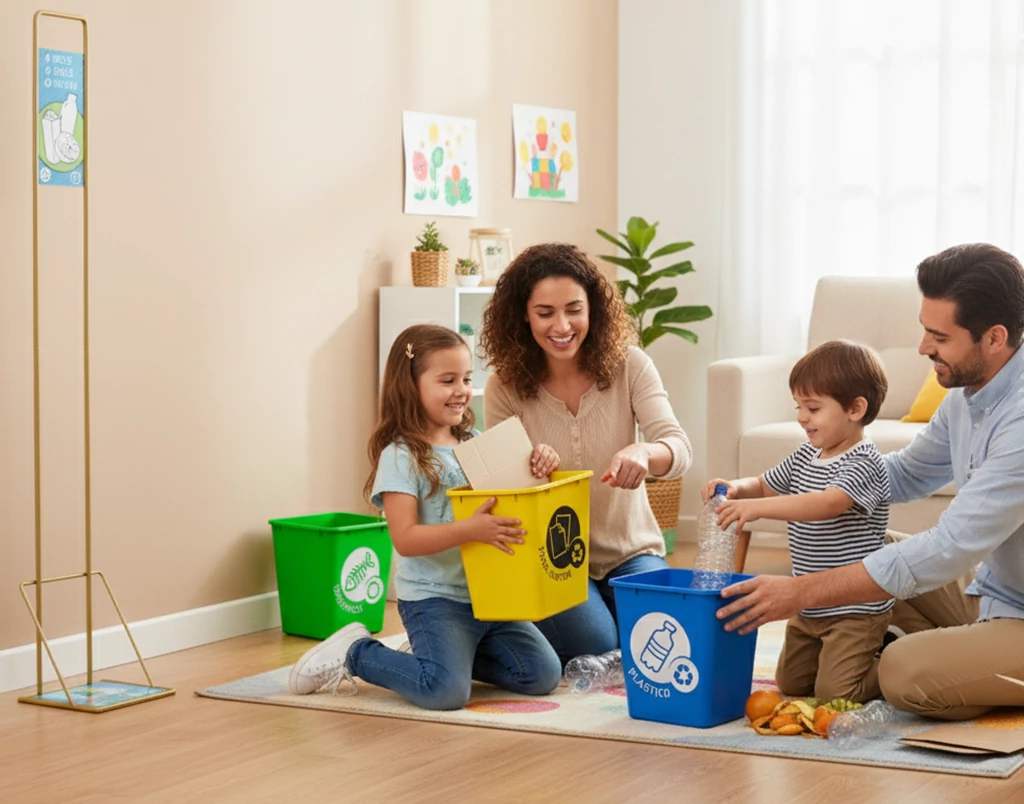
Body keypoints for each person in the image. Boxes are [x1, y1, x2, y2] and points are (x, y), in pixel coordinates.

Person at [717, 243, 1024, 720]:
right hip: (999, 588)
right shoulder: (969, 394)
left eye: (938, 337)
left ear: (995, 337)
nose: (923, 348)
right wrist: (835, 484)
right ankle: (931, 648)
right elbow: (904, 474)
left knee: (903, 671)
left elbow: (950, 546)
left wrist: (800, 592)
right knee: (871, 545)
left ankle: (919, 654)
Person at [288, 324, 562, 710]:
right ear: (410, 385)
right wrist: (469, 530)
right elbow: (405, 539)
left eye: (466, 378)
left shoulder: (475, 443)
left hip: (489, 596)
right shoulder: (401, 456)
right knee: (445, 692)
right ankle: (356, 651)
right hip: (435, 600)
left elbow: (518, 499)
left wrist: (540, 462)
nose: (462, 390)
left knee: (542, 675)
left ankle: (437, 658)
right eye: (447, 380)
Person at [479, 242, 693, 665]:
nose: (562, 325)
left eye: (574, 309)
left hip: (632, 553)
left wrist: (644, 454)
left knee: (660, 635)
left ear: (593, 308)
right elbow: (504, 489)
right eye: (545, 313)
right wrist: (532, 466)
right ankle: (482, 640)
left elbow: (679, 447)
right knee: (598, 644)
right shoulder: (504, 387)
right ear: (524, 314)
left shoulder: (630, 365)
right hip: (554, 561)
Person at [705, 340, 892, 703]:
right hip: (809, 606)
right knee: (791, 685)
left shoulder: (866, 463)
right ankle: (846, 660)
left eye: (813, 408)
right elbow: (763, 483)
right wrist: (736, 487)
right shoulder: (808, 453)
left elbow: (826, 504)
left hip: (855, 611)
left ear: (856, 409)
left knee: (837, 694)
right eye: (799, 407)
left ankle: (892, 655)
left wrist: (759, 509)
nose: (802, 417)